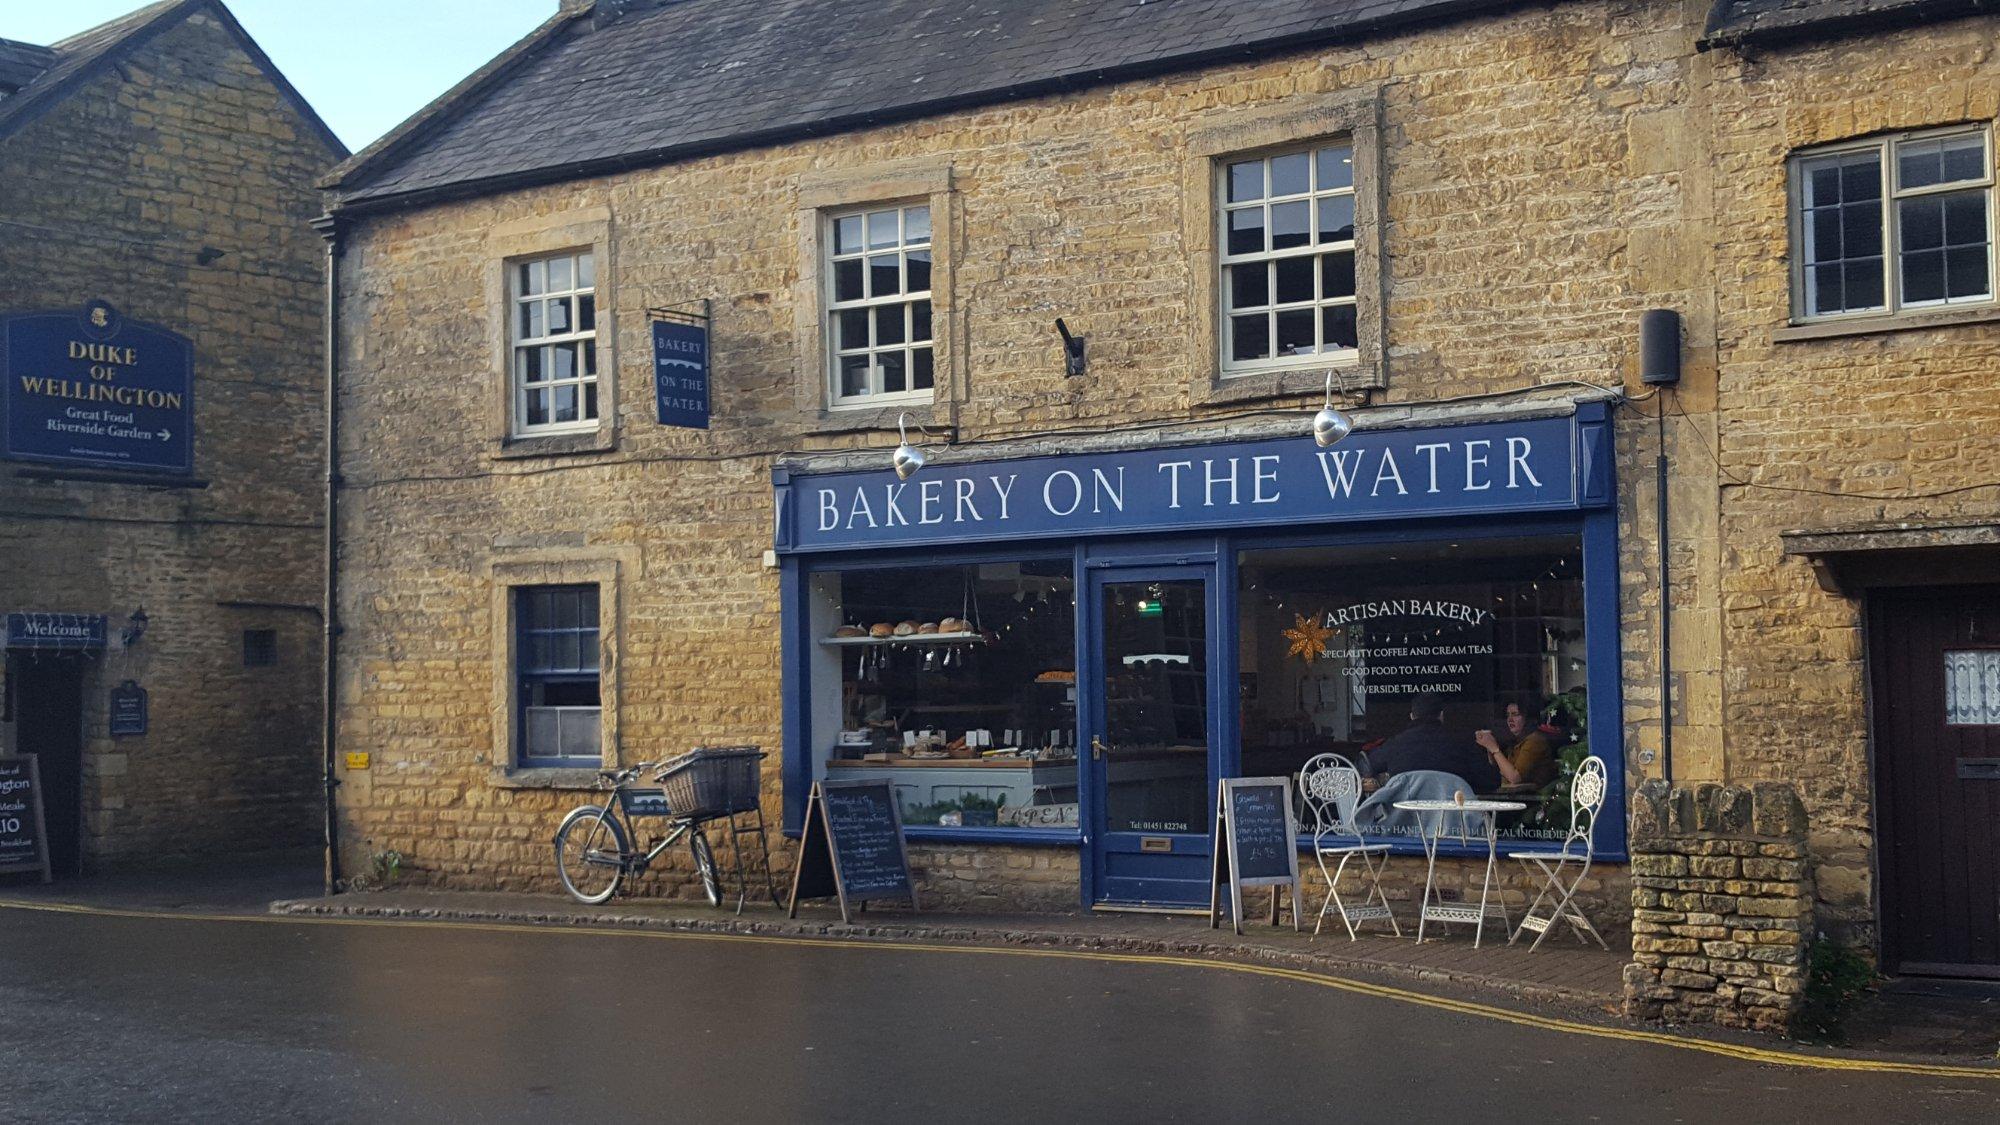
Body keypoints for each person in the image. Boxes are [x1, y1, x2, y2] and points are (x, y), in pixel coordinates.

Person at [1364, 693, 1500, 793]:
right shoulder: (1462, 744)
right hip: (1450, 820)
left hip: (1406, 820)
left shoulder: (1395, 745)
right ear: (1441, 715)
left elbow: (1367, 766)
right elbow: (1492, 782)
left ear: (1412, 716)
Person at [1475, 699, 1565, 789]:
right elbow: (1498, 765)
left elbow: (1515, 777)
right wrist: (1488, 744)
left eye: (1515, 714)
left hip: (1533, 796)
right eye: (1508, 715)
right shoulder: (1516, 740)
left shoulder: (1535, 741)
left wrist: (1494, 748)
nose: (1510, 719)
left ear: (1527, 718)